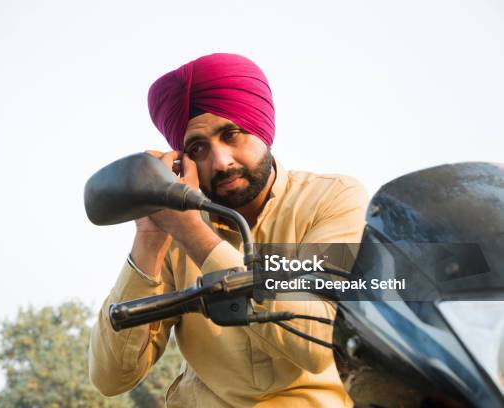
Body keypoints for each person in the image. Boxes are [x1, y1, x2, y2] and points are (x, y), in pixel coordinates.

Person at [88, 53, 368, 407]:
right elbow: (111, 378)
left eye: (231, 134)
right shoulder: (174, 224)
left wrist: (196, 237)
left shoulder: (331, 199)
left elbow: (315, 344)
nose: (220, 162)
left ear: (262, 128)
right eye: (198, 148)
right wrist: (149, 238)